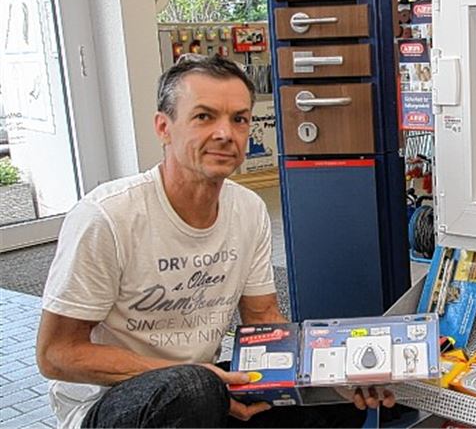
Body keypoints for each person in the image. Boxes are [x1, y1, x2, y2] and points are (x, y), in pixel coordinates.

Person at [36, 54, 394, 428]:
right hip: (108, 403)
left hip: (204, 388)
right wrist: (203, 382)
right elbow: (57, 354)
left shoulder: (247, 208)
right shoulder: (107, 216)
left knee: (335, 394)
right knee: (194, 390)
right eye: (204, 116)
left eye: (238, 119)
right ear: (163, 127)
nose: (225, 133)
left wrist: (335, 368)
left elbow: (262, 319)